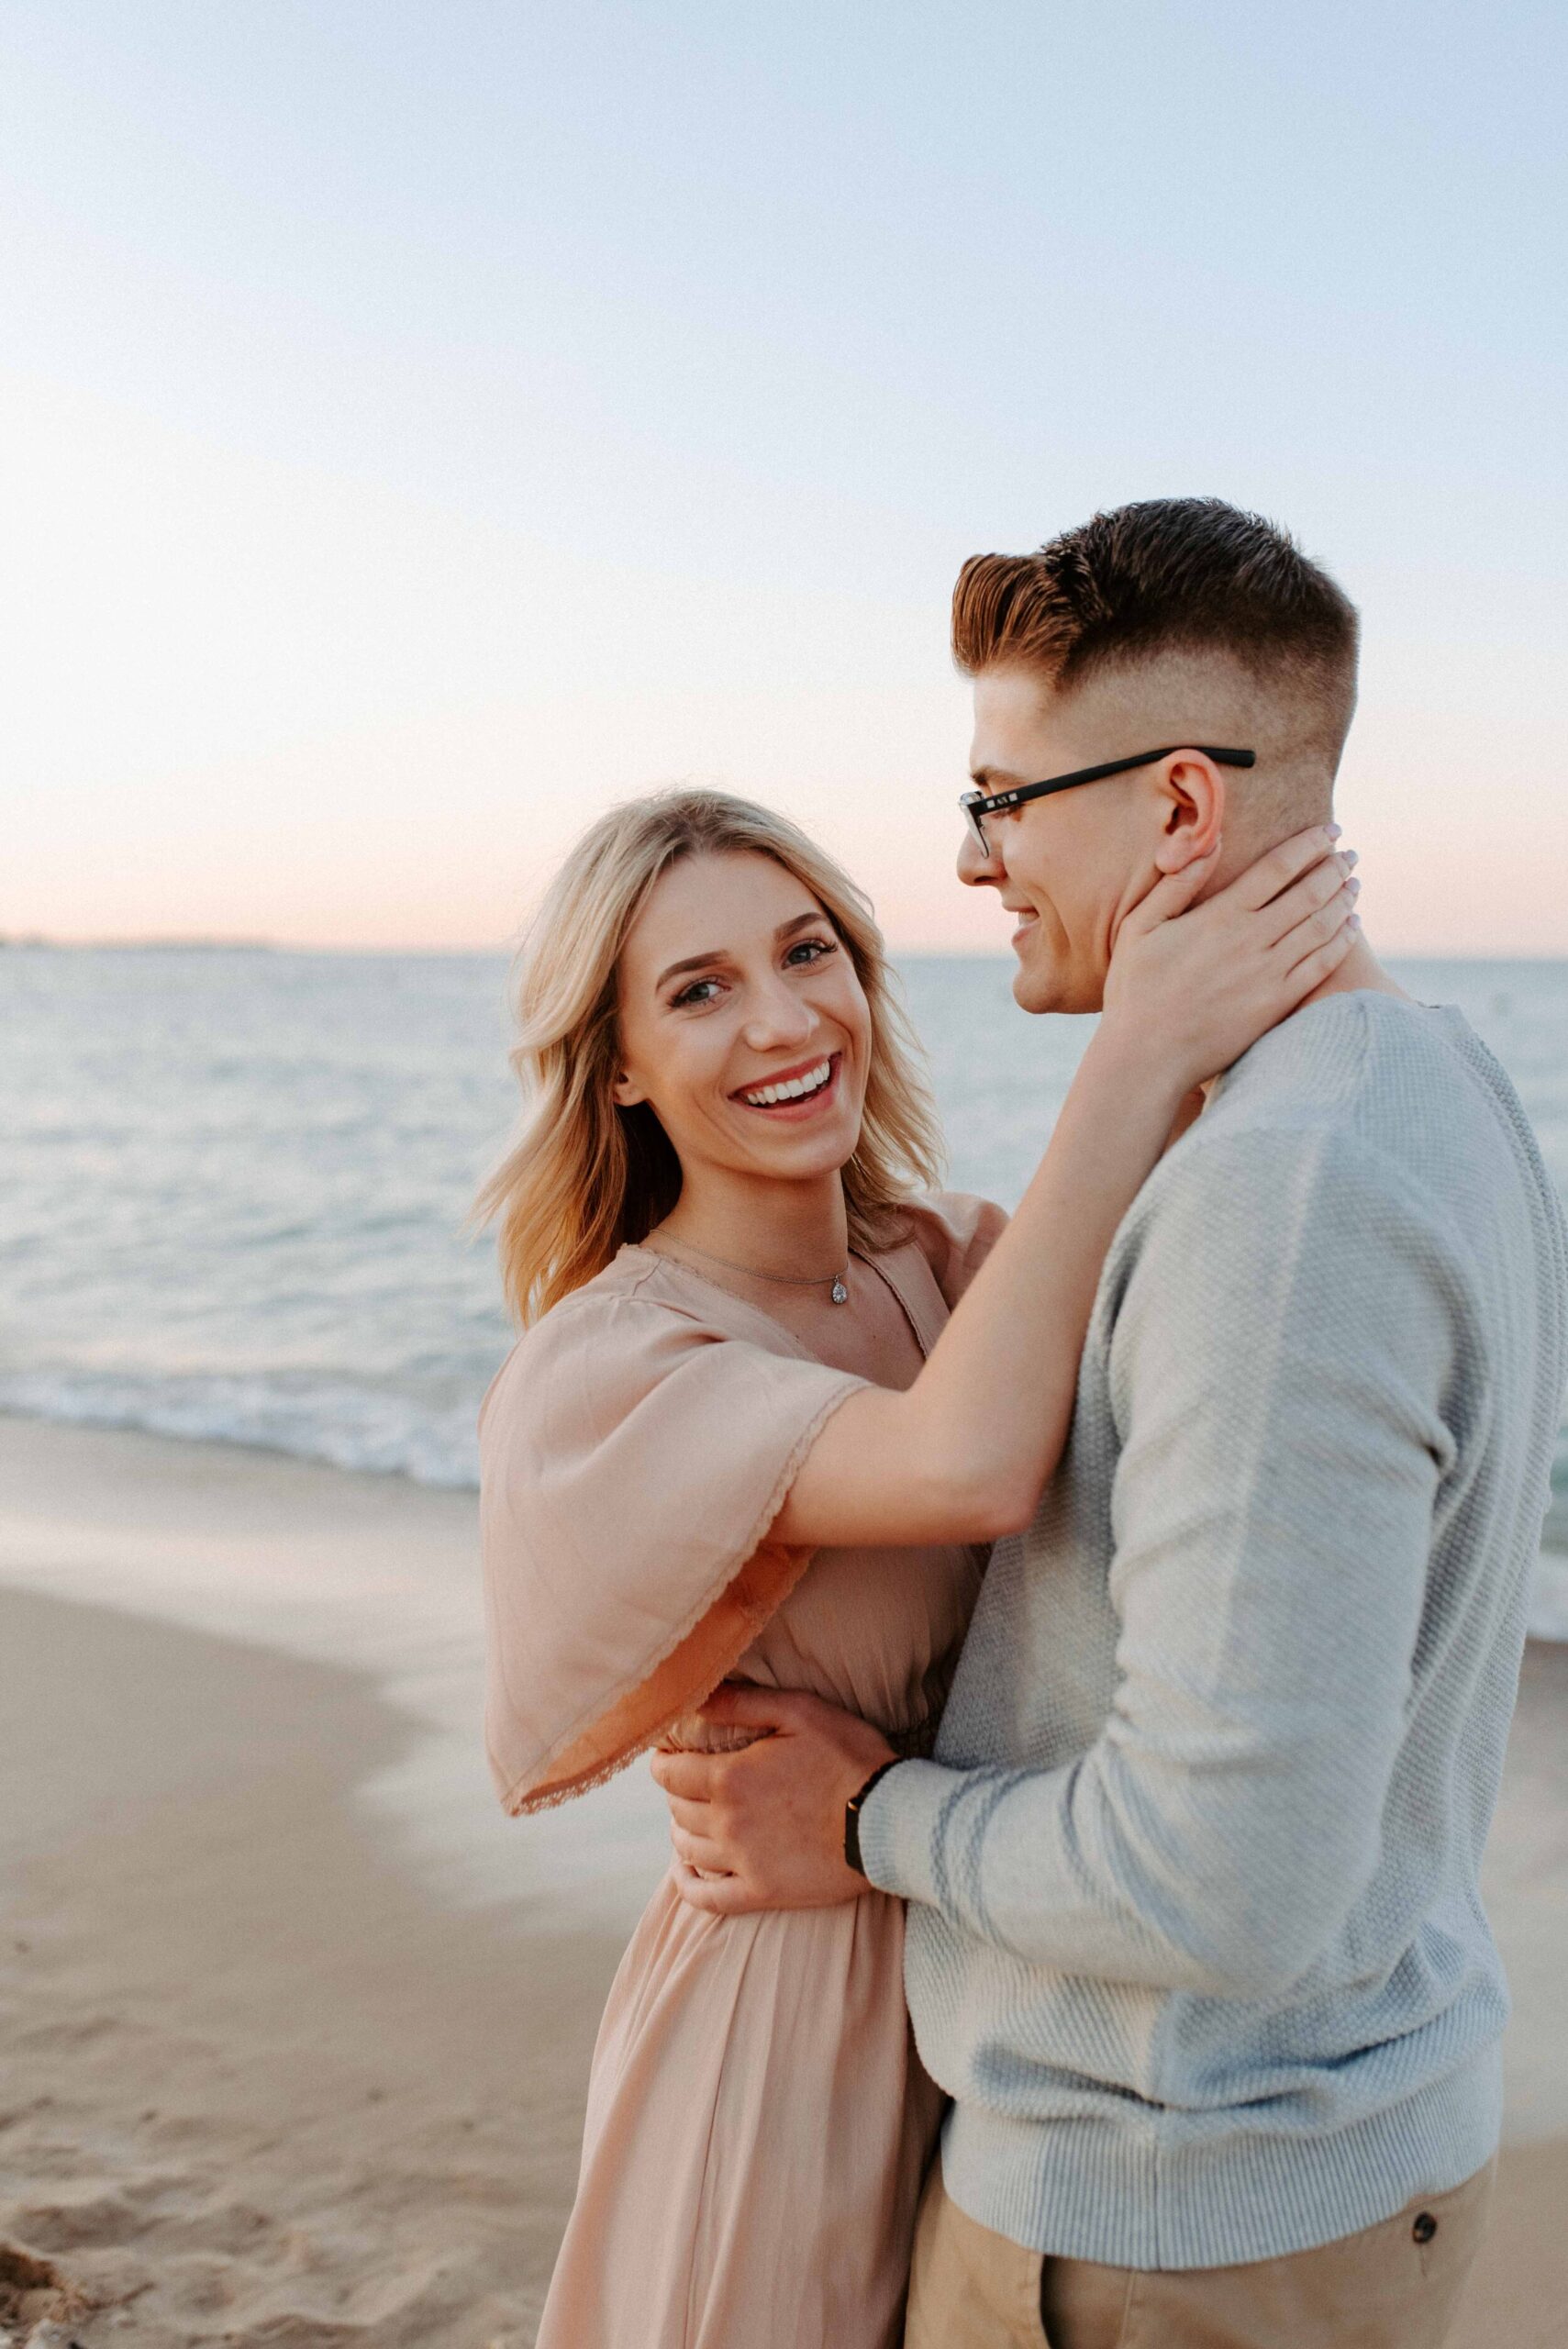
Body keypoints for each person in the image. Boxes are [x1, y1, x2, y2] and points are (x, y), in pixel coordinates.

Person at [655, 498, 1568, 2349]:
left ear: (1176, 808)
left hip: (1170, 2219)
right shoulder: (1432, 1077)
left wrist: (869, 1814)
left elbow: (1221, 1874)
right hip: (1305, 2159)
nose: (977, 860)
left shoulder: (1285, 1194)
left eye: (1003, 799)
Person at [475, 778, 1356, 2349]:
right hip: (787, 2035)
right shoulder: (612, 1364)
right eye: (698, 990)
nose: (780, 1019)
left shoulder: (948, 1261)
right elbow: (962, 1464)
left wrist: (1209, 931)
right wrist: (1134, 1044)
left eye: (807, 952)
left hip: (1013, 1988)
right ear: (615, 1065)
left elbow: (1222, 1302)